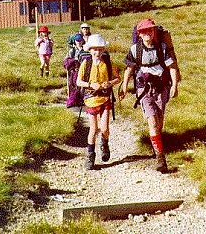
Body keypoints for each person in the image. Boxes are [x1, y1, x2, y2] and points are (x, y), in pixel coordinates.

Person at [119, 18, 179, 173]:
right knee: (152, 122)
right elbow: (129, 69)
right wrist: (124, 86)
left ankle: (156, 145)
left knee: (159, 122)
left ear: (154, 32)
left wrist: (175, 85)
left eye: (150, 30)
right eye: (144, 31)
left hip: (161, 87)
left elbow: (171, 67)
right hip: (144, 89)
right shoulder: (135, 50)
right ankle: (160, 158)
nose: (147, 33)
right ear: (139, 34)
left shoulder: (162, 47)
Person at [76, 34, 121, 170]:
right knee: (94, 128)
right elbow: (78, 82)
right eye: (94, 49)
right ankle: (90, 156)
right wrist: (90, 84)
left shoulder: (107, 63)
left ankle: (104, 144)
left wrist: (109, 83)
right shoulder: (86, 63)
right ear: (89, 50)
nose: (97, 52)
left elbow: (117, 78)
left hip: (105, 98)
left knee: (105, 128)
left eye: (100, 49)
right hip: (91, 99)